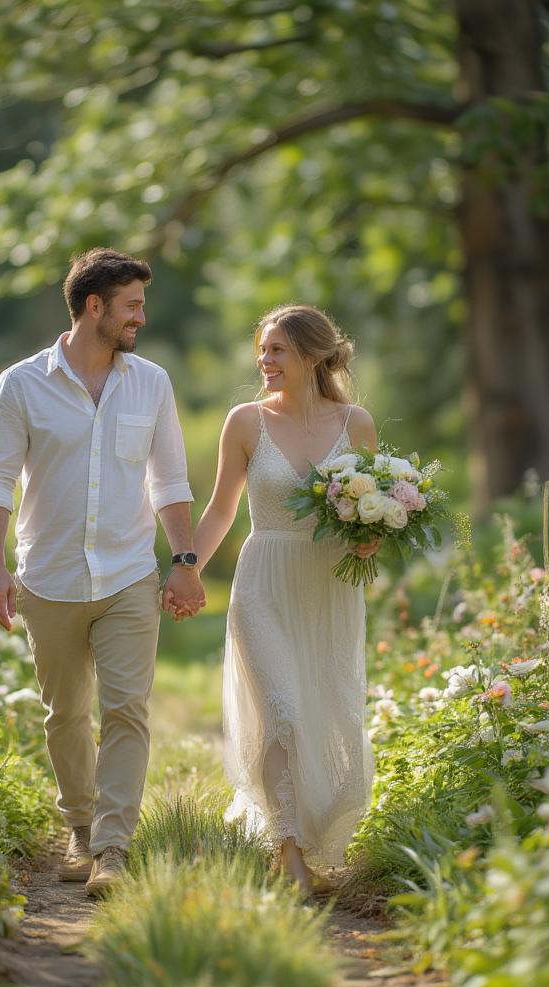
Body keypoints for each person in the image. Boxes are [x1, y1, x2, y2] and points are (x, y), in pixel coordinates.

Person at [0, 248, 205, 898]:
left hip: (129, 573)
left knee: (126, 710)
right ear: (94, 306)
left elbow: (170, 479)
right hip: (47, 577)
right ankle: (78, 827)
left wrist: (183, 562)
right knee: (66, 715)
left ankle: (112, 847)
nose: (141, 316)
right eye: (131, 304)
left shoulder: (151, 382)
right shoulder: (21, 384)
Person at [192, 304, 379, 896]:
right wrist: (185, 567)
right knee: (282, 713)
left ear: (313, 355)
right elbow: (222, 508)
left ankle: (305, 845)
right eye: (263, 349)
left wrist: (374, 535)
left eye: (277, 350)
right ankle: (289, 852)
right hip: (264, 581)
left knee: (327, 709)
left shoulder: (358, 424)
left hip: (329, 587)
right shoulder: (245, 422)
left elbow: (374, 510)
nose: (264, 361)